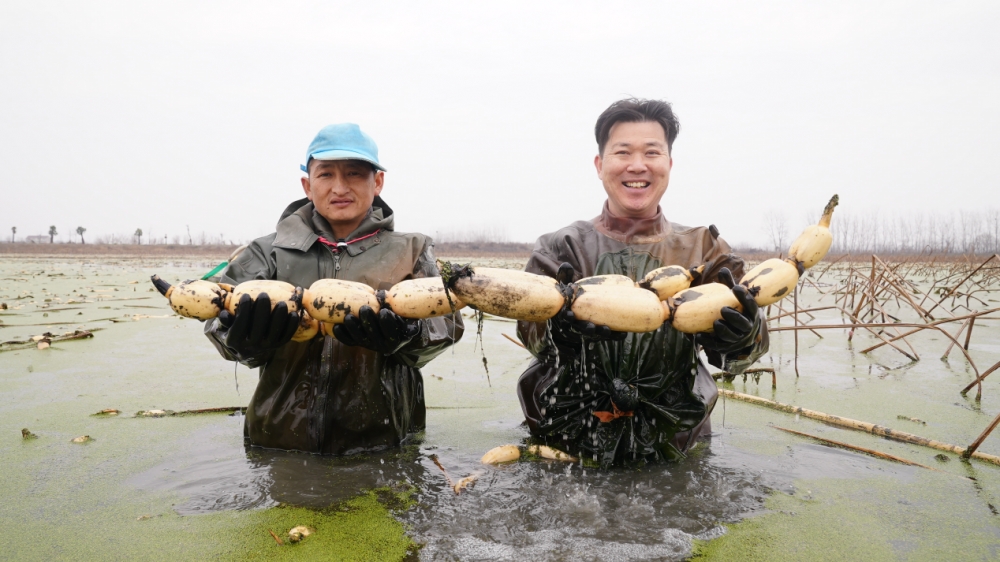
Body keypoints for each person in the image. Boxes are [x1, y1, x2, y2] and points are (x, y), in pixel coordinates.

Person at [516, 99, 767, 467]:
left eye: (652, 152)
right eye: (623, 152)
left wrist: (743, 336)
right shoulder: (561, 247)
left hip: (675, 440)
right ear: (600, 165)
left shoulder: (705, 249)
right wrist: (558, 333)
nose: (638, 165)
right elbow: (530, 332)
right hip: (567, 437)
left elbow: (744, 354)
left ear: (669, 164)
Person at [205, 123, 463, 455]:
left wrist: (410, 335)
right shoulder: (267, 252)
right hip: (279, 439)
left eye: (355, 174)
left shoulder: (412, 250)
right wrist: (240, 337)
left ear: (378, 182)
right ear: (307, 185)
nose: (340, 187)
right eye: (326, 175)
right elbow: (216, 318)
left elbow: (446, 324)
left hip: (383, 440)